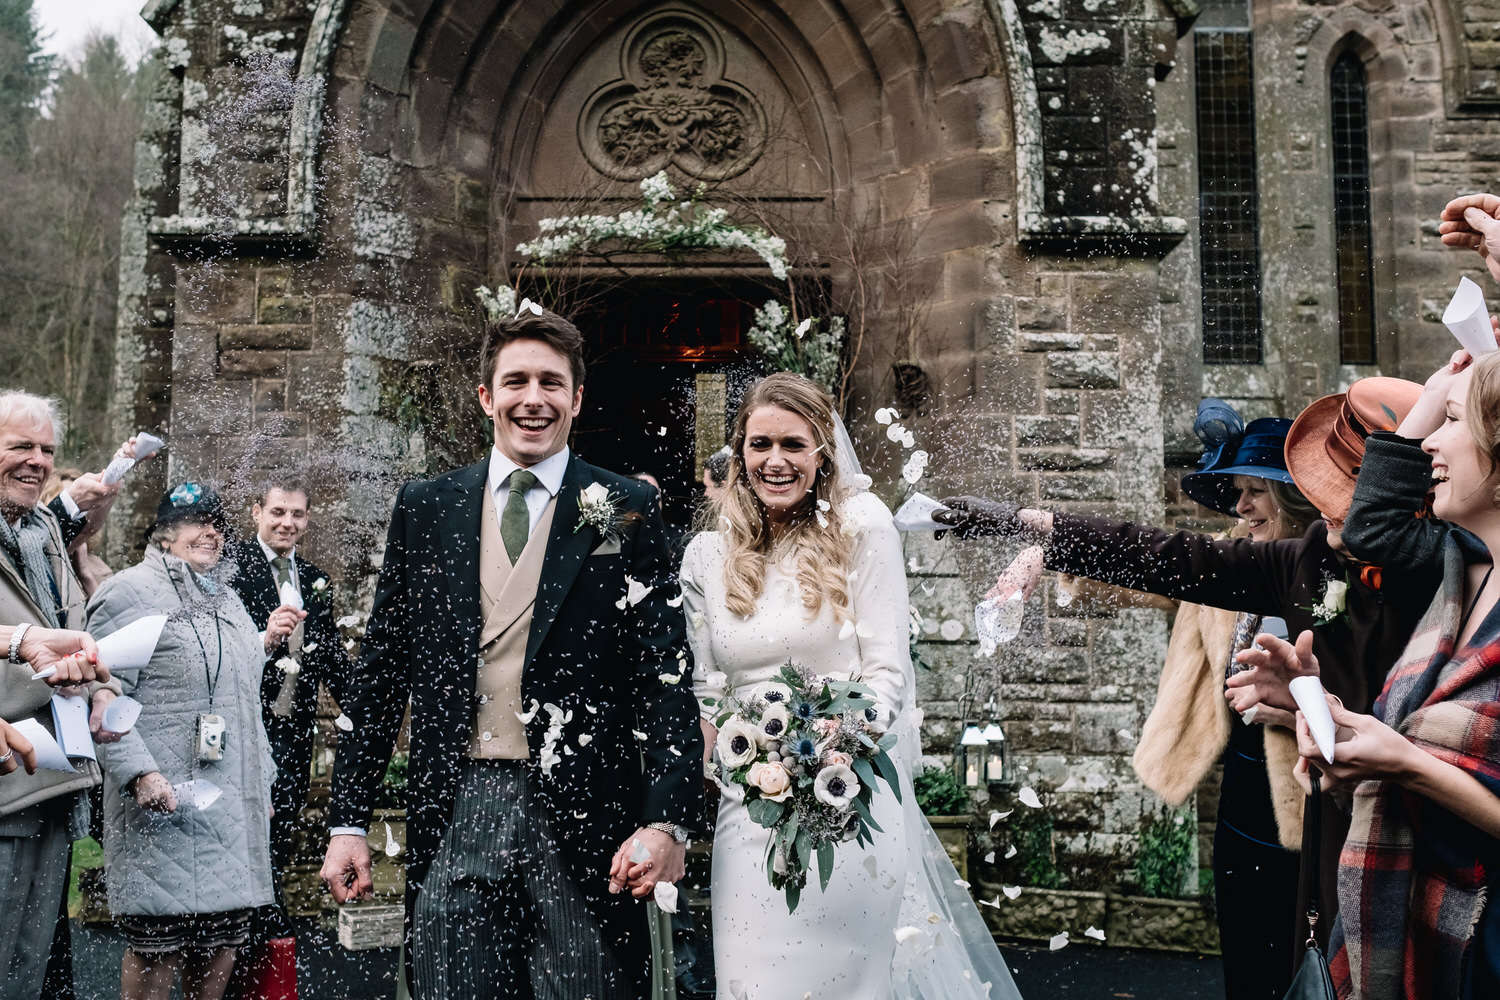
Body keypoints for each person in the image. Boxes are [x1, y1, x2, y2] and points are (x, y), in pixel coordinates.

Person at [932, 376, 1436, 983]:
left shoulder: (1447, 577)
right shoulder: (1305, 560)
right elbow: (1168, 558)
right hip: (1298, 804)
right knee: (1287, 964)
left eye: (1339, 488)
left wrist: (1308, 705)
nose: (1244, 506)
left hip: (1409, 828)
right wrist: (1030, 525)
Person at [320, 307, 703, 999]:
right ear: (486, 397)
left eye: (552, 383)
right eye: (517, 381)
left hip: (586, 816)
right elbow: (380, 673)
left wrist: (666, 820)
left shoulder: (616, 507)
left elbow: (665, 675)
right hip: (456, 799)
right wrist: (348, 819)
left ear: (577, 398)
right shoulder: (428, 506)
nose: (534, 399)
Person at [683, 372, 1020, 1000]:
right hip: (748, 805)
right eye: (759, 445)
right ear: (740, 452)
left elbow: (887, 670)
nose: (775, 461)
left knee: (844, 984)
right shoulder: (708, 554)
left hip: (849, 796)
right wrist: (715, 774)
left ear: (822, 453)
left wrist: (841, 747)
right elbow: (706, 683)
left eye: (793, 445)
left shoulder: (862, 527)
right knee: (749, 982)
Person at [1236, 351, 1500, 999]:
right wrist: (1333, 722)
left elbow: (1370, 519)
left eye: (1451, 420)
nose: (1428, 437)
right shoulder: (1461, 571)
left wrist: (1404, 763)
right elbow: (1373, 520)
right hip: (1409, 930)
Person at [89, 483, 278, 1000]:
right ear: (163, 533)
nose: (211, 532)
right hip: (163, 802)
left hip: (226, 807)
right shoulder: (127, 592)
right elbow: (99, 691)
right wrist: (138, 773)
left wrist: (262, 783)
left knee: (219, 944)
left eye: (217, 523)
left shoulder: (227, 596)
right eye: (196, 521)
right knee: (158, 946)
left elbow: (246, 700)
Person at [0, 390, 125, 1000]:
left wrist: (101, 688)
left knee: (32, 962)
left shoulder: (45, 530)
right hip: (3, 772)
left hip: (56, 774)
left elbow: (77, 625)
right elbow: (32, 634)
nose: (36, 461)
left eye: (47, 450)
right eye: (20, 446)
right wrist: (19, 638)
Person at [226, 477, 350, 934]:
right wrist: (265, 631)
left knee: (281, 828)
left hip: (295, 729)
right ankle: (240, 924)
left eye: (297, 514)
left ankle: (265, 922)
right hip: (245, 724)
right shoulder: (228, 566)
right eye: (278, 512)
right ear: (256, 511)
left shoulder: (317, 578)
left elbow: (330, 656)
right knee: (243, 828)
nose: (287, 523)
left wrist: (362, 707)